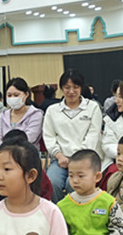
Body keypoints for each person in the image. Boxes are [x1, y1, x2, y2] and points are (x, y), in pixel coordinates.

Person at [43, 69, 103, 202]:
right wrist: (59, 155)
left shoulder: (92, 108)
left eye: (75, 87)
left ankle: (77, 215)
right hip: (60, 160)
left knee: (74, 184)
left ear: (81, 88)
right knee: (52, 182)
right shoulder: (52, 111)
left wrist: (76, 159)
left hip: (85, 159)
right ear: (61, 89)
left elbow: (93, 136)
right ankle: (60, 215)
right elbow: (49, 136)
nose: (71, 91)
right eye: (67, 87)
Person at [0, 77, 43, 147]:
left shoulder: (35, 114)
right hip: (4, 154)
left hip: (27, 155)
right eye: (9, 95)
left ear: (26, 95)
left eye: (16, 95)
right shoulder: (3, 115)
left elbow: (29, 138)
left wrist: (6, 146)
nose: (12, 98)